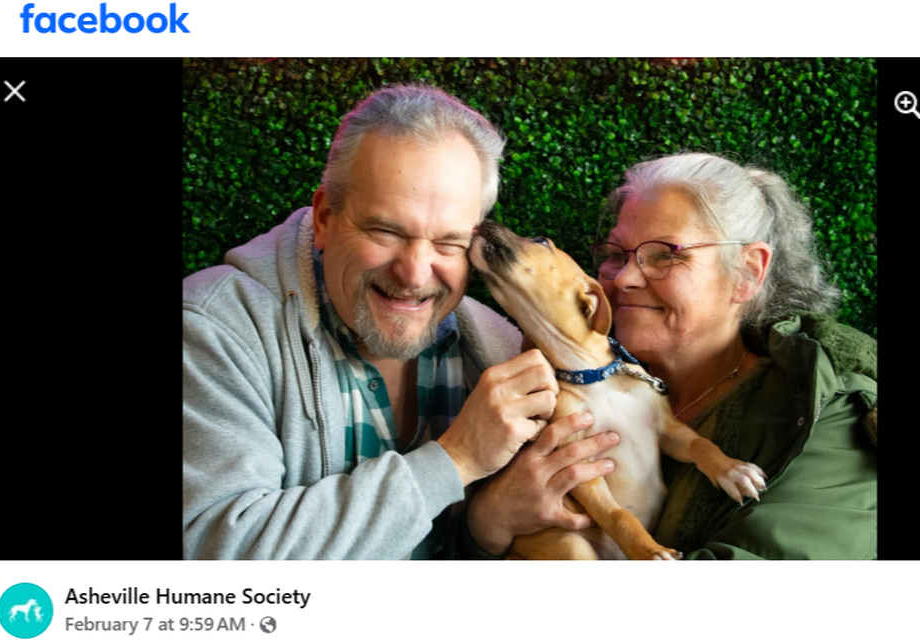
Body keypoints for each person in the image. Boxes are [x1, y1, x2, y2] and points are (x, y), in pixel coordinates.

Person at [182, 85, 618, 559]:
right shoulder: (215, 327)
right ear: (326, 217)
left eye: (449, 242)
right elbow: (212, 554)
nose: (414, 273)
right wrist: (456, 460)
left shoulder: (496, 346)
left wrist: (481, 529)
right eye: (386, 231)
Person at [464, 152, 877, 559]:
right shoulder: (568, 380)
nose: (624, 278)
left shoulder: (828, 411)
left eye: (666, 254)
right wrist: (488, 522)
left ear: (748, 271)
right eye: (615, 255)